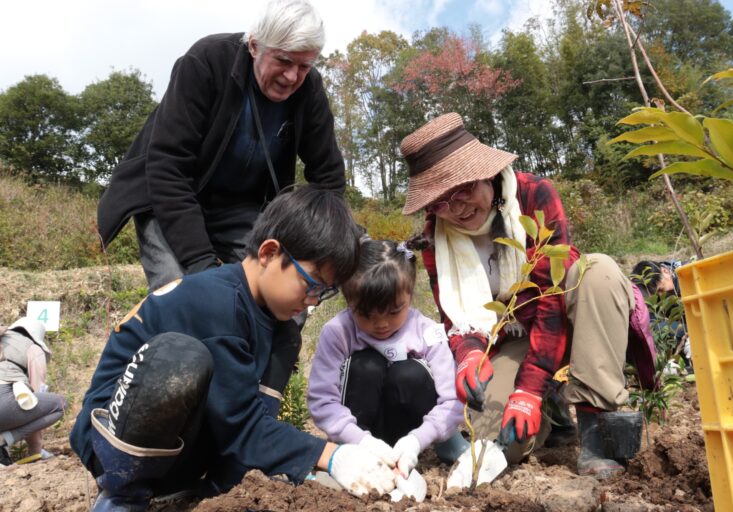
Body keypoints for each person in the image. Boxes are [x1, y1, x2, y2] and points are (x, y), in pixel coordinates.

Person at [70, 188, 396, 511]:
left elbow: (254, 419)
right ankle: (122, 495)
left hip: (178, 452)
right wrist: (331, 455)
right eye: (311, 284)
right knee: (181, 357)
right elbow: (240, 423)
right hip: (112, 439)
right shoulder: (213, 300)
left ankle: (211, 488)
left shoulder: (282, 332)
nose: (311, 301)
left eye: (323, 293)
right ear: (269, 253)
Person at [95, 0, 346, 417]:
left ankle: (254, 415)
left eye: (304, 66)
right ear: (253, 46)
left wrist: (331, 245)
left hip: (244, 206)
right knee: (182, 297)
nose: (292, 77)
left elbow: (329, 178)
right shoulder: (205, 62)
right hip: (170, 195)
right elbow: (168, 165)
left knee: (289, 292)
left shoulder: (309, 89)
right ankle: (144, 417)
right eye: (283, 61)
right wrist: (200, 265)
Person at [400, 113, 657, 480]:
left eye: (463, 190)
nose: (456, 209)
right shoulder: (436, 238)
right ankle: (554, 408)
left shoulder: (534, 194)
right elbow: (454, 316)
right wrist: (469, 353)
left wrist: (529, 390)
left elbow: (552, 301)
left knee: (596, 271)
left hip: (569, 322)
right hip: (515, 337)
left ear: (485, 172)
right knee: (499, 441)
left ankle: (598, 427)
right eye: (440, 201)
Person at [308, 239, 467, 479]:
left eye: (394, 311)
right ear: (348, 300)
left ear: (410, 294)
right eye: (365, 314)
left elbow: (452, 398)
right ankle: (348, 449)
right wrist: (361, 441)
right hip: (359, 429)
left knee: (409, 373)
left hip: (413, 431)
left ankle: (445, 442)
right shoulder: (338, 331)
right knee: (365, 366)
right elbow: (322, 401)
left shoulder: (427, 331)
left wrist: (417, 440)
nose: (381, 324)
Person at [0, 317, 67, 466]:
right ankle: (4, 440)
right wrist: (35, 450)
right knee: (60, 404)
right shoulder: (33, 349)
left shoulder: (3, 339)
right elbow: (32, 401)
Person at [630, 260, 691, 370]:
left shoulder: (688, 274)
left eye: (661, 290)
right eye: (657, 293)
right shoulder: (651, 291)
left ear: (665, 271)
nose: (660, 295)